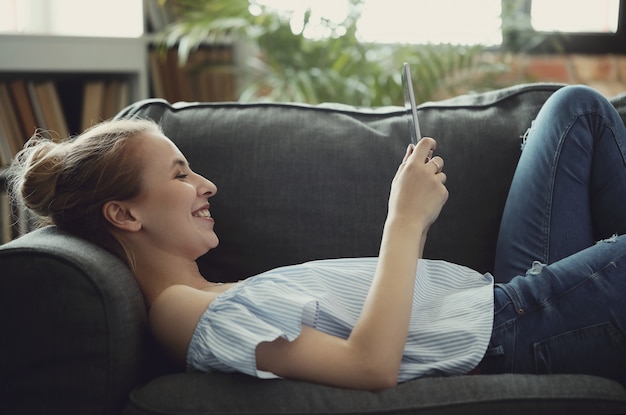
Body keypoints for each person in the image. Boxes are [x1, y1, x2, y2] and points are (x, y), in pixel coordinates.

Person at [6, 85, 626, 390]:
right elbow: (369, 365)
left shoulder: (212, 296)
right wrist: (404, 219)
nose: (207, 184)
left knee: (577, 109)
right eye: (179, 174)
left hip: (503, 293)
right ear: (125, 216)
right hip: (512, 327)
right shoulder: (188, 317)